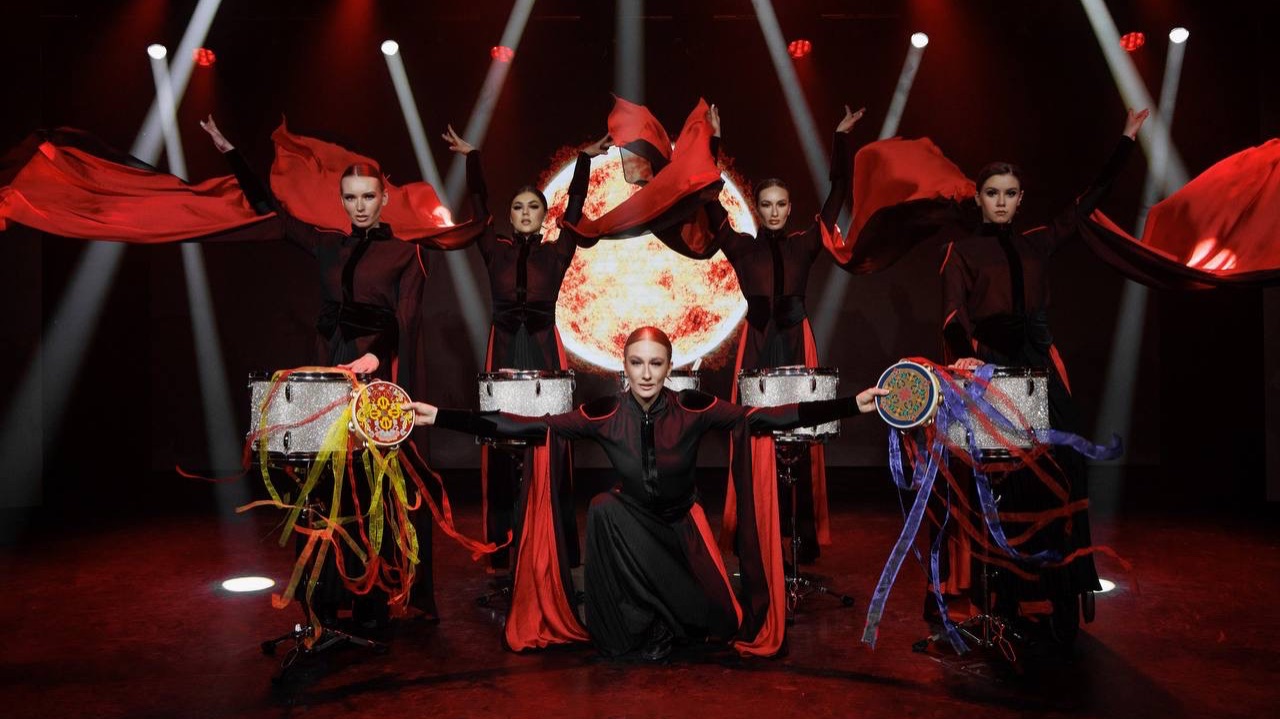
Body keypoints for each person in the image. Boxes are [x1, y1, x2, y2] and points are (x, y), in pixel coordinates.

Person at [407, 326, 887, 660]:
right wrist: (443, 417)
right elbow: (531, 426)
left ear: (669, 366)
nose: (646, 373)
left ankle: (666, 611)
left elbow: (763, 417)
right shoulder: (603, 413)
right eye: (637, 363)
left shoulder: (693, 406)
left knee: (721, 623)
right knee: (602, 508)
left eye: (656, 364)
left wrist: (852, 405)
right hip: (631, 523)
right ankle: (633, 621)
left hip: (681, 527)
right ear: (624, 366)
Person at [199, 116, 484, 627]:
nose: (360, 205)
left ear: (384, 199)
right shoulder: (328, 244)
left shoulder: (406, 251)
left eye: (368, 197)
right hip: (330, 370)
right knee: (327, 484)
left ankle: (375, 598)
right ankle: (330, 599)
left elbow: (407, 317)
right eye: (351, 198)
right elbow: (271, 211)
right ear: (343, 201)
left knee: (372, 488)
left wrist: (378, 356)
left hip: (376, 375)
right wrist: (229, 151)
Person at [935, 108, 1150, 640]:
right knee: (1009, 481)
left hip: (1043, 368)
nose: (1001, 201)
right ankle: (1007, 596)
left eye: (1009, 194)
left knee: (1063, 472)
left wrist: (1125, 141)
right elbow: (952, 315)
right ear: (979, 198)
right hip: (995, 371)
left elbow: (1086, 204)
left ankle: (1063, 591)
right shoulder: (962, 251)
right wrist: (965, 356)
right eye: (992, 193)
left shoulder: (1038, 241)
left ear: (1020, 199)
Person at [661, 104, 866, 564]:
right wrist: (714, 142)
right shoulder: (740, 247)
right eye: (767, 204)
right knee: (754, 438)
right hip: (756, 348)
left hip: (796, 344)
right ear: (758, 207)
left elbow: (838, 193)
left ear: (790, 208)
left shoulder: (805, 243)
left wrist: (841, 139)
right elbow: (709, 198)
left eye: (781, 204)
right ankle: (753, 532)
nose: (774, 212)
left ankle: (802, 534)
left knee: (804, 436)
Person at [440, 125, 610, 574]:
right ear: (510, 216)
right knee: (499, 444)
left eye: (533, 206)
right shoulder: (493, 249)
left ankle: (553, 547)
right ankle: (504, 550)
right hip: (502, 353)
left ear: (543, 214)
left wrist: (584, 160)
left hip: (543, 351)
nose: (525, 212)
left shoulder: (556, 253)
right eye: (518, 207)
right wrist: (472, 158)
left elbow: (576, 208)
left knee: (549, 444)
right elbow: (478, 204)